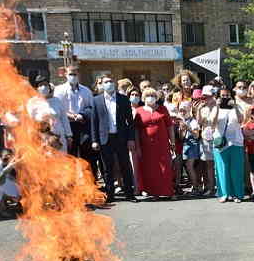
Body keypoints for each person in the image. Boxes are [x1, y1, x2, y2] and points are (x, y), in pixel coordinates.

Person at [91, 74, 137, 202]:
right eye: (106, 82)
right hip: (105, 139)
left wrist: (131, 139)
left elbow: (130, 122)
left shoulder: (123, 99)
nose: (109, 84)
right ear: (102, 84)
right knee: (107, 168)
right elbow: (94, 122)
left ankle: (129, 193)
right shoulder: (96, 100)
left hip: (121, 138)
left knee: (125, 166)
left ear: (115, 83)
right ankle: (110, 195)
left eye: (111, 81)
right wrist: (94, 140)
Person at [54, 65, 96, 180]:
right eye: (70, 74)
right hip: (67, 126)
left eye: (75, 74)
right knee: (70, 156)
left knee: (86, 156)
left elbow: (91, 107)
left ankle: (90, 182)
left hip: (83, 126)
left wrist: (81, 115)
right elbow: (57, 108)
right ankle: (71, 182)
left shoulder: (86, 91)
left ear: (79, 75)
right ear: (66, 75)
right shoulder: (59, 90)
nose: (73, 76)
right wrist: (71, 116)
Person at [134, 88, 175, 199]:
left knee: (165, 166)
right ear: (144, 98)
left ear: (156, 97)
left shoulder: (163, 109)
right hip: (146, 145)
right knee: (150, 168)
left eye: (152, 95)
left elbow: (170, 126)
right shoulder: (139, 111)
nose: (150, 97)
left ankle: (167, 192)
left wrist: (173, 141)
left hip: (162, 143)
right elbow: (136, 130)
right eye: (148, 95)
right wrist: (137, 146)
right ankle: (153, 192)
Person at [213, 87, 246, 202]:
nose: (225, 98)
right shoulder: (215, 108)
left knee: (236, 170)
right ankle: (224, 194)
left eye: (227, 95)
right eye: (222, 96)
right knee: (222, 169)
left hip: (236, 142)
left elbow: (241, 120)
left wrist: (235, 106)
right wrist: (217, 106)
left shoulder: (237, 107)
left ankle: (237, 194)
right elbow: (213, 122)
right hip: (221, 143)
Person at [27, 76, 71, 153]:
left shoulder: (57, 101)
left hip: (59, 137)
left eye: (45, 84)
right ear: (37, 88)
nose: (43, 87)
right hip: (43, 138)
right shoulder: (32, 103)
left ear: (49, 86)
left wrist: (69, 135)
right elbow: (30, 122)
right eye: (40, 85)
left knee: (62, 160)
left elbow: (64, 119)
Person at [197, 85, 218, 196]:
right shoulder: (202, 108)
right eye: (204, 97)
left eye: (208, 97)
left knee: (218, 163)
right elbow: (199, 122)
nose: (206, 99)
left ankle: (220, 187)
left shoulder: (217, 107)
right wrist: (199, 109)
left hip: (218, 138)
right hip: (206, 137)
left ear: (213, 96)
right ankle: (211, 188)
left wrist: (215, 106)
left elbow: (215, 121)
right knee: (209, 164)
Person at [176, 100, 201, 195]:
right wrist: (181, 130)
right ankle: (195, 186)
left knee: (189, 167)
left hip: (193, 145)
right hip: (186, 145)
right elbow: (182, 137)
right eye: (181, 110)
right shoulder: (183, 121)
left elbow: (196, 135)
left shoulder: (193, 121)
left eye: (184, 110)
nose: (182, 112)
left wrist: (188, 128)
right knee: (188, 167)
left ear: (188, 110)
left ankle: (196, 187)